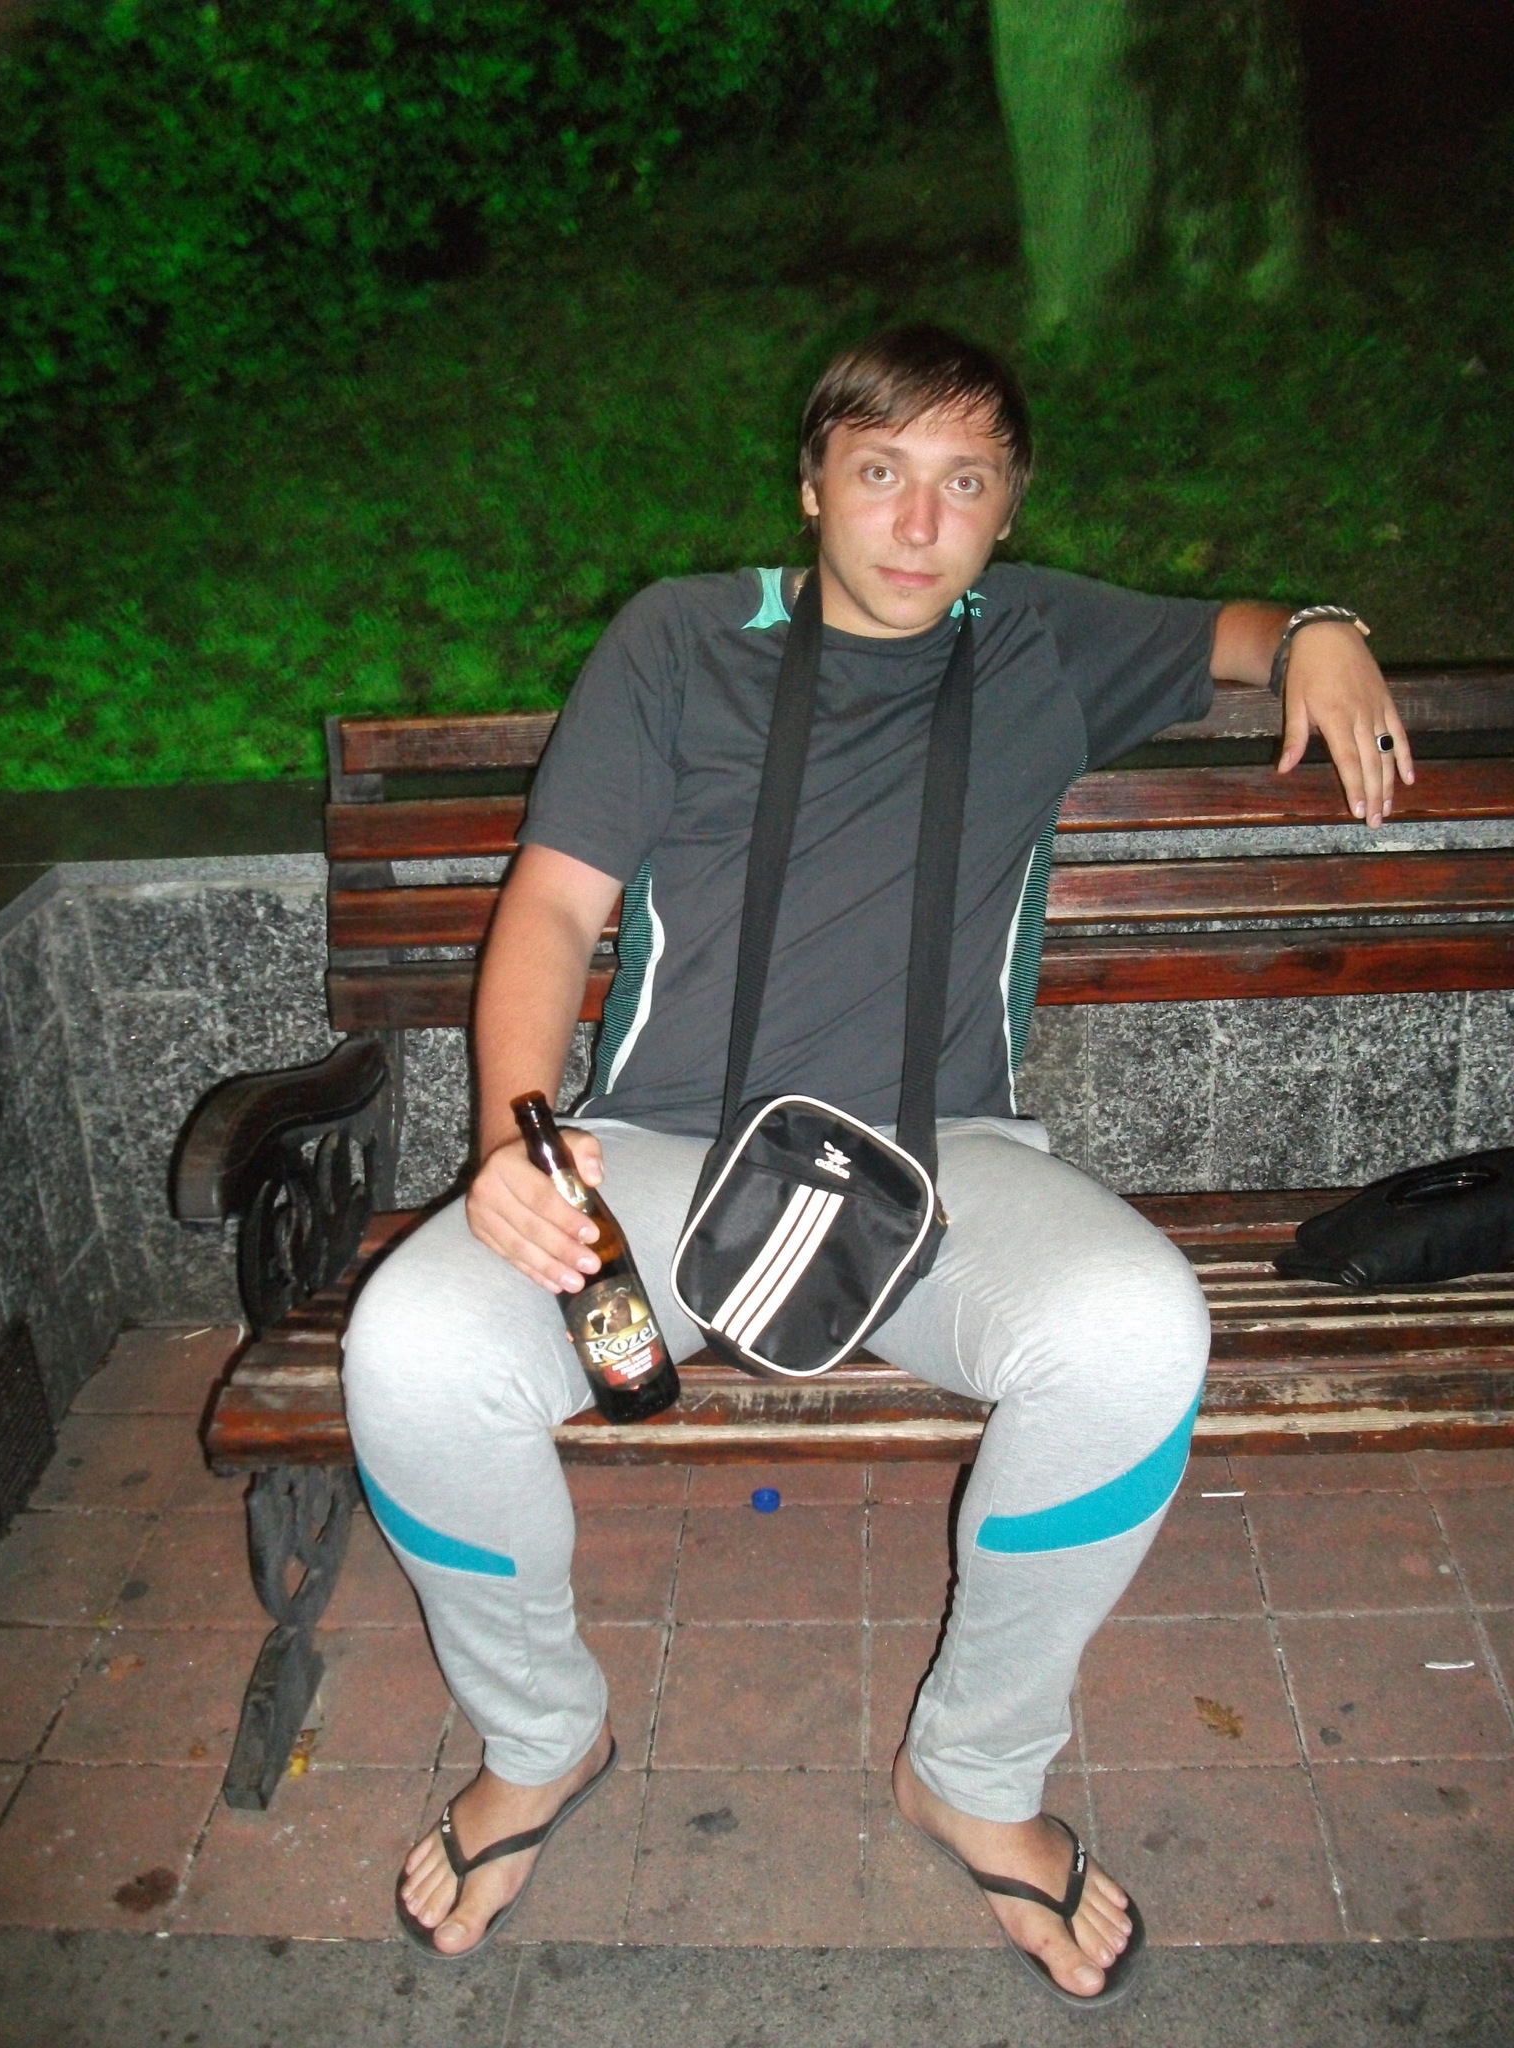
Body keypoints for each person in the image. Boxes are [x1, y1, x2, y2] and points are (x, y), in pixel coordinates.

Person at [343, 326, 1411, 2001]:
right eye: (882, 472)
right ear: (812, 484)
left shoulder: (1041, 641)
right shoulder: (681, 639)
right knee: (409, 1351)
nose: (920, 523)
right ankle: (540, 1737)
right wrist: (512, 1142)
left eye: (964, 483)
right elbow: (551, 906)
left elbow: (1236, 630)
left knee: (1136, 1330)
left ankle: (973, 1769)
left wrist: (1322, 631)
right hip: (664, 1150)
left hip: (938, 1166)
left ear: (1008, 510)